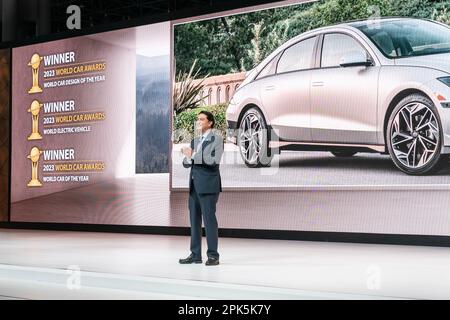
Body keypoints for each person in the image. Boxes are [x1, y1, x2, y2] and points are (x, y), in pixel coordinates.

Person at [179, 111, 224, 266]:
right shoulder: (195, 140)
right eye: (197, 119)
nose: (198, 121)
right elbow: (187, 163)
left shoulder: (217, 139)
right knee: (194, 221)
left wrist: (192, 156)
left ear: (210, 122)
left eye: (201, 119)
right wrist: (186, 156)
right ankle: (195, 254)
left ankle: (213, 256)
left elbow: (213, 161)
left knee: (209, 221)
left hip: (208, 186)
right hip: (194, 186)